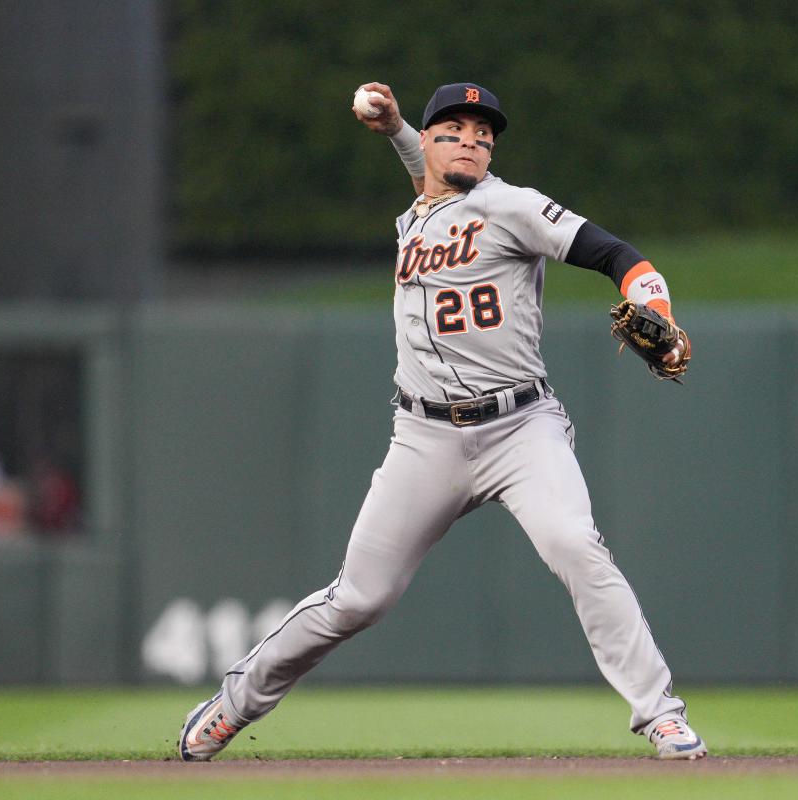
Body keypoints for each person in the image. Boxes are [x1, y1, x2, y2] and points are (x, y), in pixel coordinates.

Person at [178, 81, 703, 761]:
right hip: (424, 438)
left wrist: (654, 305)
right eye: (454, 129)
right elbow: (429, 180)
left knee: (575, 545)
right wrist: (397, 126)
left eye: (484, 134)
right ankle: (231, 704)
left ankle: (660, 715)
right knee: (358, 599)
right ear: (427, 143)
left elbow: (614, 254)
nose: (474, 141)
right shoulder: (417, 213)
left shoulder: (512, 206)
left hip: (521, 428)